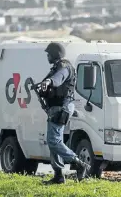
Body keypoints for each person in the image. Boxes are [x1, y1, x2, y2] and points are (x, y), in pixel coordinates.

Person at [39, 42, 90, 184]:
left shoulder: (64, 67)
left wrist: (49, 81)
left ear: (55, 54)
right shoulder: (56, 67)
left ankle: (79, 163)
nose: (47, 56)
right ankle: (58, 176)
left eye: (49, 53)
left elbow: (58, 78)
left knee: (53, 141)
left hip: (62, 108)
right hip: (57, 108)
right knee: (55, 141)